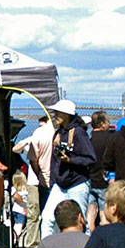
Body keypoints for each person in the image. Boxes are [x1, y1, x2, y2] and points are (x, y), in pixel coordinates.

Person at [39, 99, 95, 239]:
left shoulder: (79, 133)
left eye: (58, 112)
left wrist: (70, 160)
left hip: (78, 183)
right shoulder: (59, 133)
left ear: (67, 114)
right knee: (47, 218)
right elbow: (54, 161)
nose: (55, 115)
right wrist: (53, 180)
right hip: (60, 184)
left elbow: (91, 159)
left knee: (81, 221)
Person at [85, 111, 116, 230]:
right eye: (108, 121)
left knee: (90, 213)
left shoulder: (88, 140)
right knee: (105, 215)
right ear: (102, 124)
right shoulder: (110, 138)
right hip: (105, 181)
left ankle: (89, 237)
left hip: (90, 180)